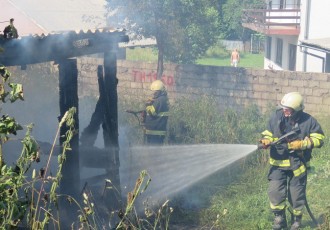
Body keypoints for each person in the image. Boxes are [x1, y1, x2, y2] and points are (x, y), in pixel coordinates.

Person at [259, 92, 325, 230]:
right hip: (278, 164)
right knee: (275, 192)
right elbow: (268, 132)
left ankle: (296, 221)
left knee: (296, 195)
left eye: (288, 109)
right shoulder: (277, 116)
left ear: (297, 110)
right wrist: (266, 140)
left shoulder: (309, 121)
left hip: (298, 165)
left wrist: (302, 144)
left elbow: (320, 139)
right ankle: (279, 219)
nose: (284, 111)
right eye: (283, 107)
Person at [144, 80, 169, 145]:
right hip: (155, 132)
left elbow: (152, 113)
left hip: (155, 133)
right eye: (153, 92)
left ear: (160, 92)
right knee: (153, 152)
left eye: (156, 92)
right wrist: (154, 102)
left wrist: (148, 105)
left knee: (153, 153)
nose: (153, 94)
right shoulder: (162, 99)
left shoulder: (160, 100)